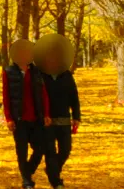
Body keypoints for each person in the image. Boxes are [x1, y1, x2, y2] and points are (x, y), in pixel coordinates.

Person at [3, 38, 51, 189]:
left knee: (40, 148)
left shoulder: (37, 71)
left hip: (36, 118)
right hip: (19, 119)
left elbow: (44, 94)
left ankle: (27, 171)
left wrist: (47, 114)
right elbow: (6, 97)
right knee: (21, 151)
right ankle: (26, 181)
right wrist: (9, 118)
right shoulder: (8, 72)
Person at [36, 34, 80, 189]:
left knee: (65, 150)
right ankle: (55, 182)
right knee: (50, 151)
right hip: (46, 120)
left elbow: (74, 96)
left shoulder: (66, 74)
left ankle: (52, 171)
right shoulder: (40, 75)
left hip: (64, 118)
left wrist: (76, 116)